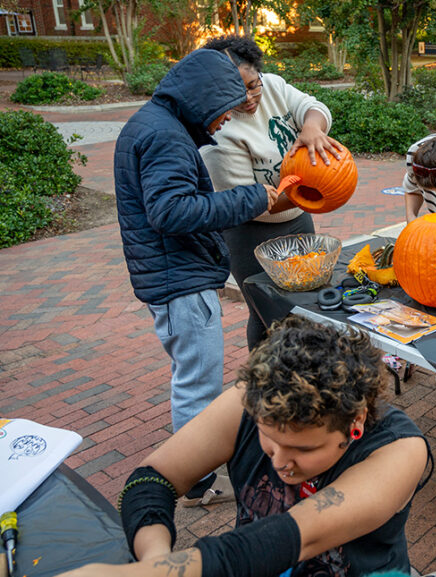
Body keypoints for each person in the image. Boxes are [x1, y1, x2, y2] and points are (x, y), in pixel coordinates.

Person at [60, 316, 432, 577]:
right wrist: (155, 559)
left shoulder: (399, 450)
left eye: (303, 449)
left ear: (357, 421)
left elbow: (297, 536)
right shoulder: (250, 402)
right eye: (268, 438)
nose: (281, 462)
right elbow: (153, 479)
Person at [113, 48, 284, 507]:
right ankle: (198, 482)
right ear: (202, 98)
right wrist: (250, 199)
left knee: (190, 376)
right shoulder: (166, 137)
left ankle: (196, 473)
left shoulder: (153, 123)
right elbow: (171, 211)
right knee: (198, 385)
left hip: (170, 275)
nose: (226, 121)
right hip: (179, 280)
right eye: (223, 111)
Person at [198, 35, 344, 352]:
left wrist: (312, 128)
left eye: (253, 85)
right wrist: (310, 193)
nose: (249, 97)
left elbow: (312, 107)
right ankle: (266, 383)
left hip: (296, 218)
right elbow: (249, 206)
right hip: (249, 232)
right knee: (268, 313)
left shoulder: (274, 87)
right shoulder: (219, 134)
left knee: (303, 303)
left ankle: (302, 375)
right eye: (235, 91)